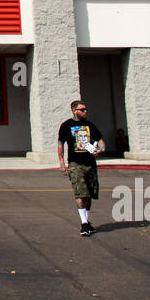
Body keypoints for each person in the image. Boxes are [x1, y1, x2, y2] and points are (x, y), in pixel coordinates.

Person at [56, 101, 104, 236]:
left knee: (89, 193)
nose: (85, 111)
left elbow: (100, 141)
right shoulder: (66, 126)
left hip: (90, 163)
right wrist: (62, 164)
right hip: (75, 163)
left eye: (86, 109)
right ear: (74, 110)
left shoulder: (90, 125)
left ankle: (87, 222)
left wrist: (100, 149)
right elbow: (60, 144)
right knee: (80, 192)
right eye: (82, 109)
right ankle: (83, 223)